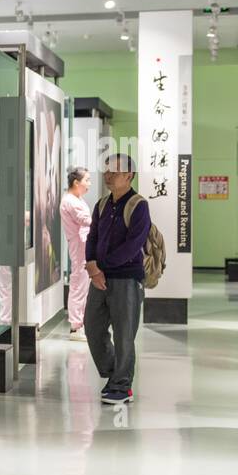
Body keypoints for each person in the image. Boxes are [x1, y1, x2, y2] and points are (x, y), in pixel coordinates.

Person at [84, 153, 150, 405]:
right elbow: (92, 237)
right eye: (106, 170)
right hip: (99, 277)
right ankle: (114, 373)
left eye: (115, 171)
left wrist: (103, 267)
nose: (108, 175)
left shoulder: (138, 205)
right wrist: (92, 266)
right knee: (92, 326)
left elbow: (134, 245)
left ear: (129, 175)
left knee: (124, 334)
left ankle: (123, 385)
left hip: (126, 278)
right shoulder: (102, 204)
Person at [60, 166, 93, 339]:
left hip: (83, 244)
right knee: (79, 283)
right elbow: (86, 220)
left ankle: (80, 322)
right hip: (79, 244)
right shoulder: (70, 201)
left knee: (82, 282)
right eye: (87, 180)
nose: (89, 184)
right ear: (76, 182)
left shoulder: (76, 199)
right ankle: (75, 325)